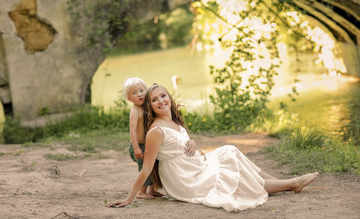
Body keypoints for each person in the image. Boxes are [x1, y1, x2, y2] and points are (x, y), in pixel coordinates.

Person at [107, 83, 319, 212]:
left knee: (230, 151)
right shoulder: (156, 131)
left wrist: (192, 142)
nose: (160, 101)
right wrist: (128, 199)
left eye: (163, 96)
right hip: (184, 178)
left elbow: (180, 142)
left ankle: (285, 183)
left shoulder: (173, 119)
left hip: (194, 165)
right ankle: (291, 184)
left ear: (170, 98)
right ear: (150, 106)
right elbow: (146, 168)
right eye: (154, 100)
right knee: (229, 163)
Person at [123, 78, 164, 199]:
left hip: (149, 145)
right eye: (134, 93)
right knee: (145, 167)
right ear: (129, 98)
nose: (139, 94)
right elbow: (132, 130)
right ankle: (141, 192)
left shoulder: (148, 106)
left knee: (155, 165)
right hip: (139, 146)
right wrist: (136, 147)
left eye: (141, 90)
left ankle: (152, 189)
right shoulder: (135, 111)